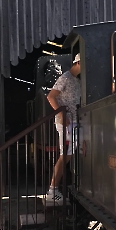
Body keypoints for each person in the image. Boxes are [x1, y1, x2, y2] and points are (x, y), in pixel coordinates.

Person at [45, 52, 81, 203]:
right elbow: (50, 96)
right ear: (78, 63)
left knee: (69, 155)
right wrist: (62, 116)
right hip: (66, 123)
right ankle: (52, 191)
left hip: (74, 122)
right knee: (65, 155)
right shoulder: (65, 77)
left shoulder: (77, 81)